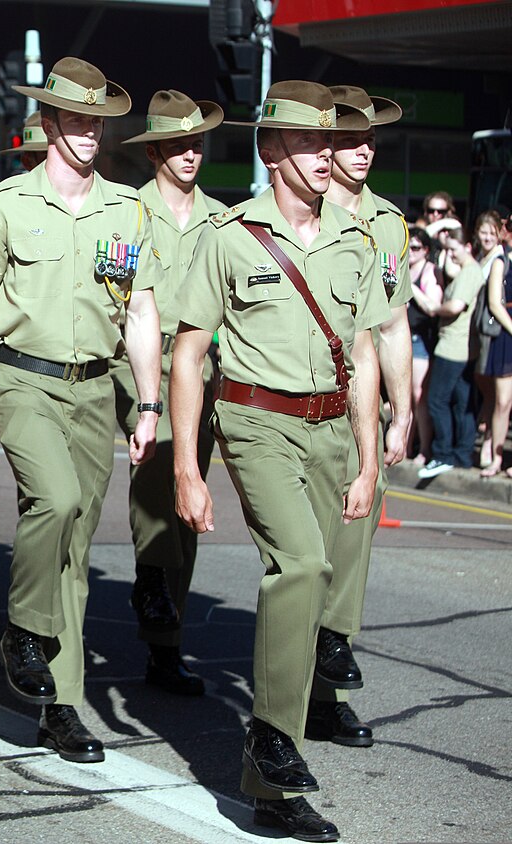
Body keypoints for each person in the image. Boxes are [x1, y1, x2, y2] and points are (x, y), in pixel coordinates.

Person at [171, 81, 385, 842]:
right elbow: (190, 352)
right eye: (308, 142)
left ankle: (272, 791)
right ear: (271, 151)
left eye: (331, 142)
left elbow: (361, 352)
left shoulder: (355, 241)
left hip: (332, 427)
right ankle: (272, 731)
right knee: (300, 566)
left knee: (318, 584)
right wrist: (188, 470)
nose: (326, 155)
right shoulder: (230, 236)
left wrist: (369, 460)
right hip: (257, 423)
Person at [0, 57, 161, 765]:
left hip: (96, 390)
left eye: (97, 120)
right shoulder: (8, 202)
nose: (90, 131)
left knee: (75, 544)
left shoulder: (127, 208)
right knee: (56, 498)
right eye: (75, 119)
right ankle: (21, 632)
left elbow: (141, 314)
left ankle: (59, 706)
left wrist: (150, 404)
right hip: (22, 379)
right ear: (47, 125)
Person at [115, 89, 229, 696]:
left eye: (197, 143)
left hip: (199, 369)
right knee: (156, 456)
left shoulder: (222, 220)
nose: (191, 153)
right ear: (155, 149)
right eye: (179, 144)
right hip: (137, 363)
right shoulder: (127, 213)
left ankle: (166, 644)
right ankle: (153, 577)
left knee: (191, 496)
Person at [314, 85, 413, 750]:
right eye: (350, 137)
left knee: (353, 540)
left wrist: (403, 411)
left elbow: (394, 322)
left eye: (371, 137)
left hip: (361, 407)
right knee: (304, 555)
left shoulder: (390, 225)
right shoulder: (301, 215)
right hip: (302, 402)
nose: (364, 148)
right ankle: (293, 688)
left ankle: (330, 678)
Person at [416, 227, 484, 478]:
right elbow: (448, 269)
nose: (449, 255)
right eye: (445, 250)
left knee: (437, 400)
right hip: (462, 346)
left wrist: (435, 308)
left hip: (453, 347)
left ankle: (443, 453)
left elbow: (455, 306)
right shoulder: (467, 270)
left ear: (467, 247)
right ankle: (462, 454)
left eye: (453, 249)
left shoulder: (469, 273)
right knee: (461, 403)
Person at [478, 209, 512, 477]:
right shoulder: (503, 260)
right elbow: (494, 303)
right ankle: (497, 460)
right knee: (502, 401)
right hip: (506, 333)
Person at [406, 226, 442, 462]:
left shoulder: (429, 272)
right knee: (404, 397)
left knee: (419, 397)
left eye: (416, 248)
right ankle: (405, 447)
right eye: (409, 246)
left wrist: (410, 287)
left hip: (421, 341)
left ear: (426, 250)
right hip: (403, 338)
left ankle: (424, 448)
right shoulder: (401, 269)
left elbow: (432, 307)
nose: (411, 252)